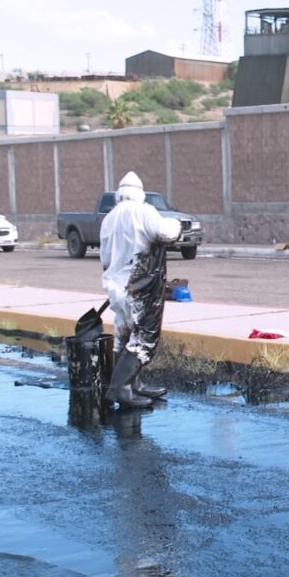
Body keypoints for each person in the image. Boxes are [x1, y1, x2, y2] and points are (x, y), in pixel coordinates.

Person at [101, 171, 182, 409]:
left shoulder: (109, 218)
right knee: (143, 338)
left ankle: (133, 384)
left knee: (124, 335)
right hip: (141, 287)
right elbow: (165, 233)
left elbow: (105, 257)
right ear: (140, 193)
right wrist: (176, 224)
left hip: (117, 287)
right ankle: (120, 389)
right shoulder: (143, 211)